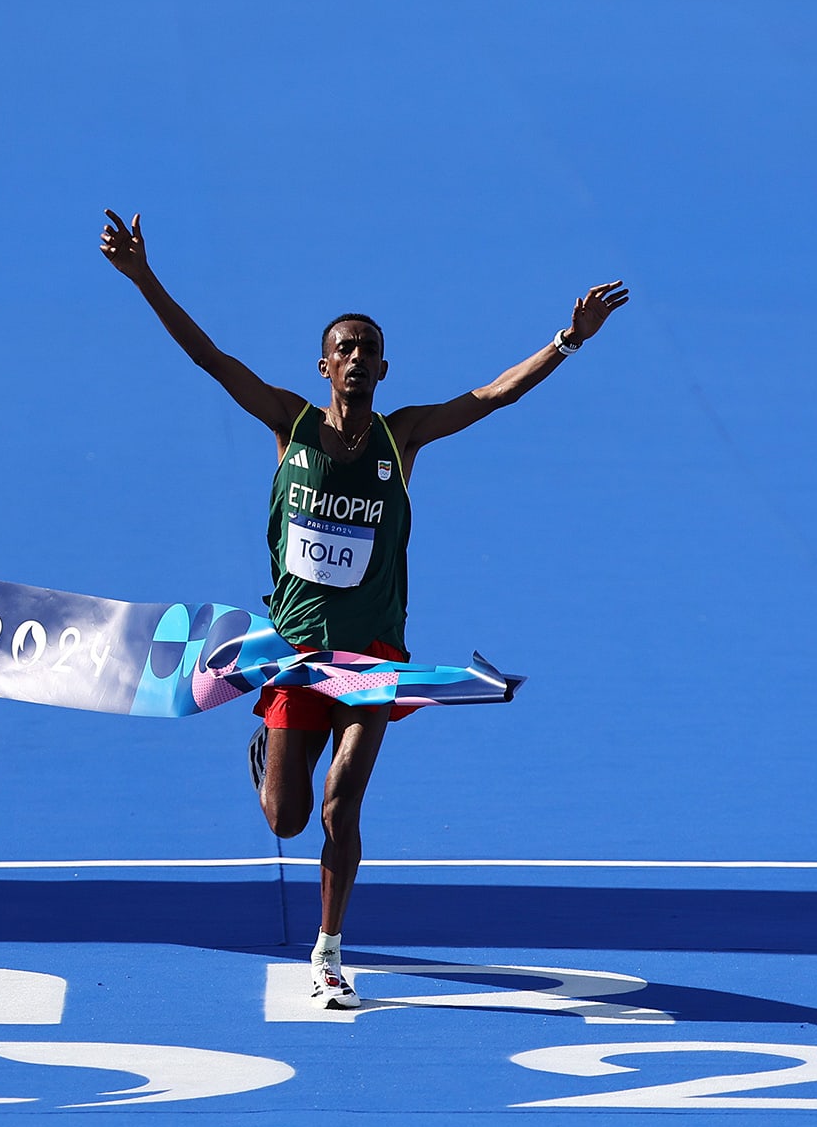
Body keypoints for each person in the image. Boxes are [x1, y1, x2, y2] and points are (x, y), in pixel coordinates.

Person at [99, 209, 627, 1003]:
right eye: (343, 348)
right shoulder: (290, 423)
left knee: (341, 803)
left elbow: (490, 397)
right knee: (285, 816)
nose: (356, 358)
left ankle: (329, 953)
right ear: (322, 366)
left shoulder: (402, 438)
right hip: (294, 653)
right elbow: (211, 359)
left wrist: (567, 339)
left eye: (368, 351)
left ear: (383, 369)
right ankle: (264, 755)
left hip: (371, 657)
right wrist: (145, 278)